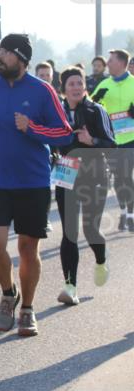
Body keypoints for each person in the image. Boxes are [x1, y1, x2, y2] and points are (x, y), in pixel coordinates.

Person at [0, 34, 73, 336]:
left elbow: (64, 133)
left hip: (33, 182)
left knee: (27, 248)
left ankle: (27, 308)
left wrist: (33, 128)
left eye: (6, 52)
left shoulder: (42, 90)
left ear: (21, 58)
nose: (0, 57)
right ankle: (8, 292)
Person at [53, 66, 116, 305]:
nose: (77, 87)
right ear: (64, 88)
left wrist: (92, 140)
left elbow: (111, 145)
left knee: (90, 230)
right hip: (66, 174)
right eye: (71, 84)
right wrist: (53, 157)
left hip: (94, 174)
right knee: (70, 232)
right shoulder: (56, 113)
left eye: (79, 83)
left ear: (85, 86)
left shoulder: (95, 110)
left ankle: (101, 257)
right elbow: (49, 141)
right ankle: (70, 286)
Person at [90, 49, 134, 232]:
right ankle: (123, 210)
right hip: (112, 140)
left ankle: (130, 215)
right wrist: (96, 102)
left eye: (111, 60)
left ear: (122, 63)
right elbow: (89, 108)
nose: (108, 63)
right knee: (118, 178)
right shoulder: (104, 84)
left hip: (132, 138)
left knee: (127, 176)